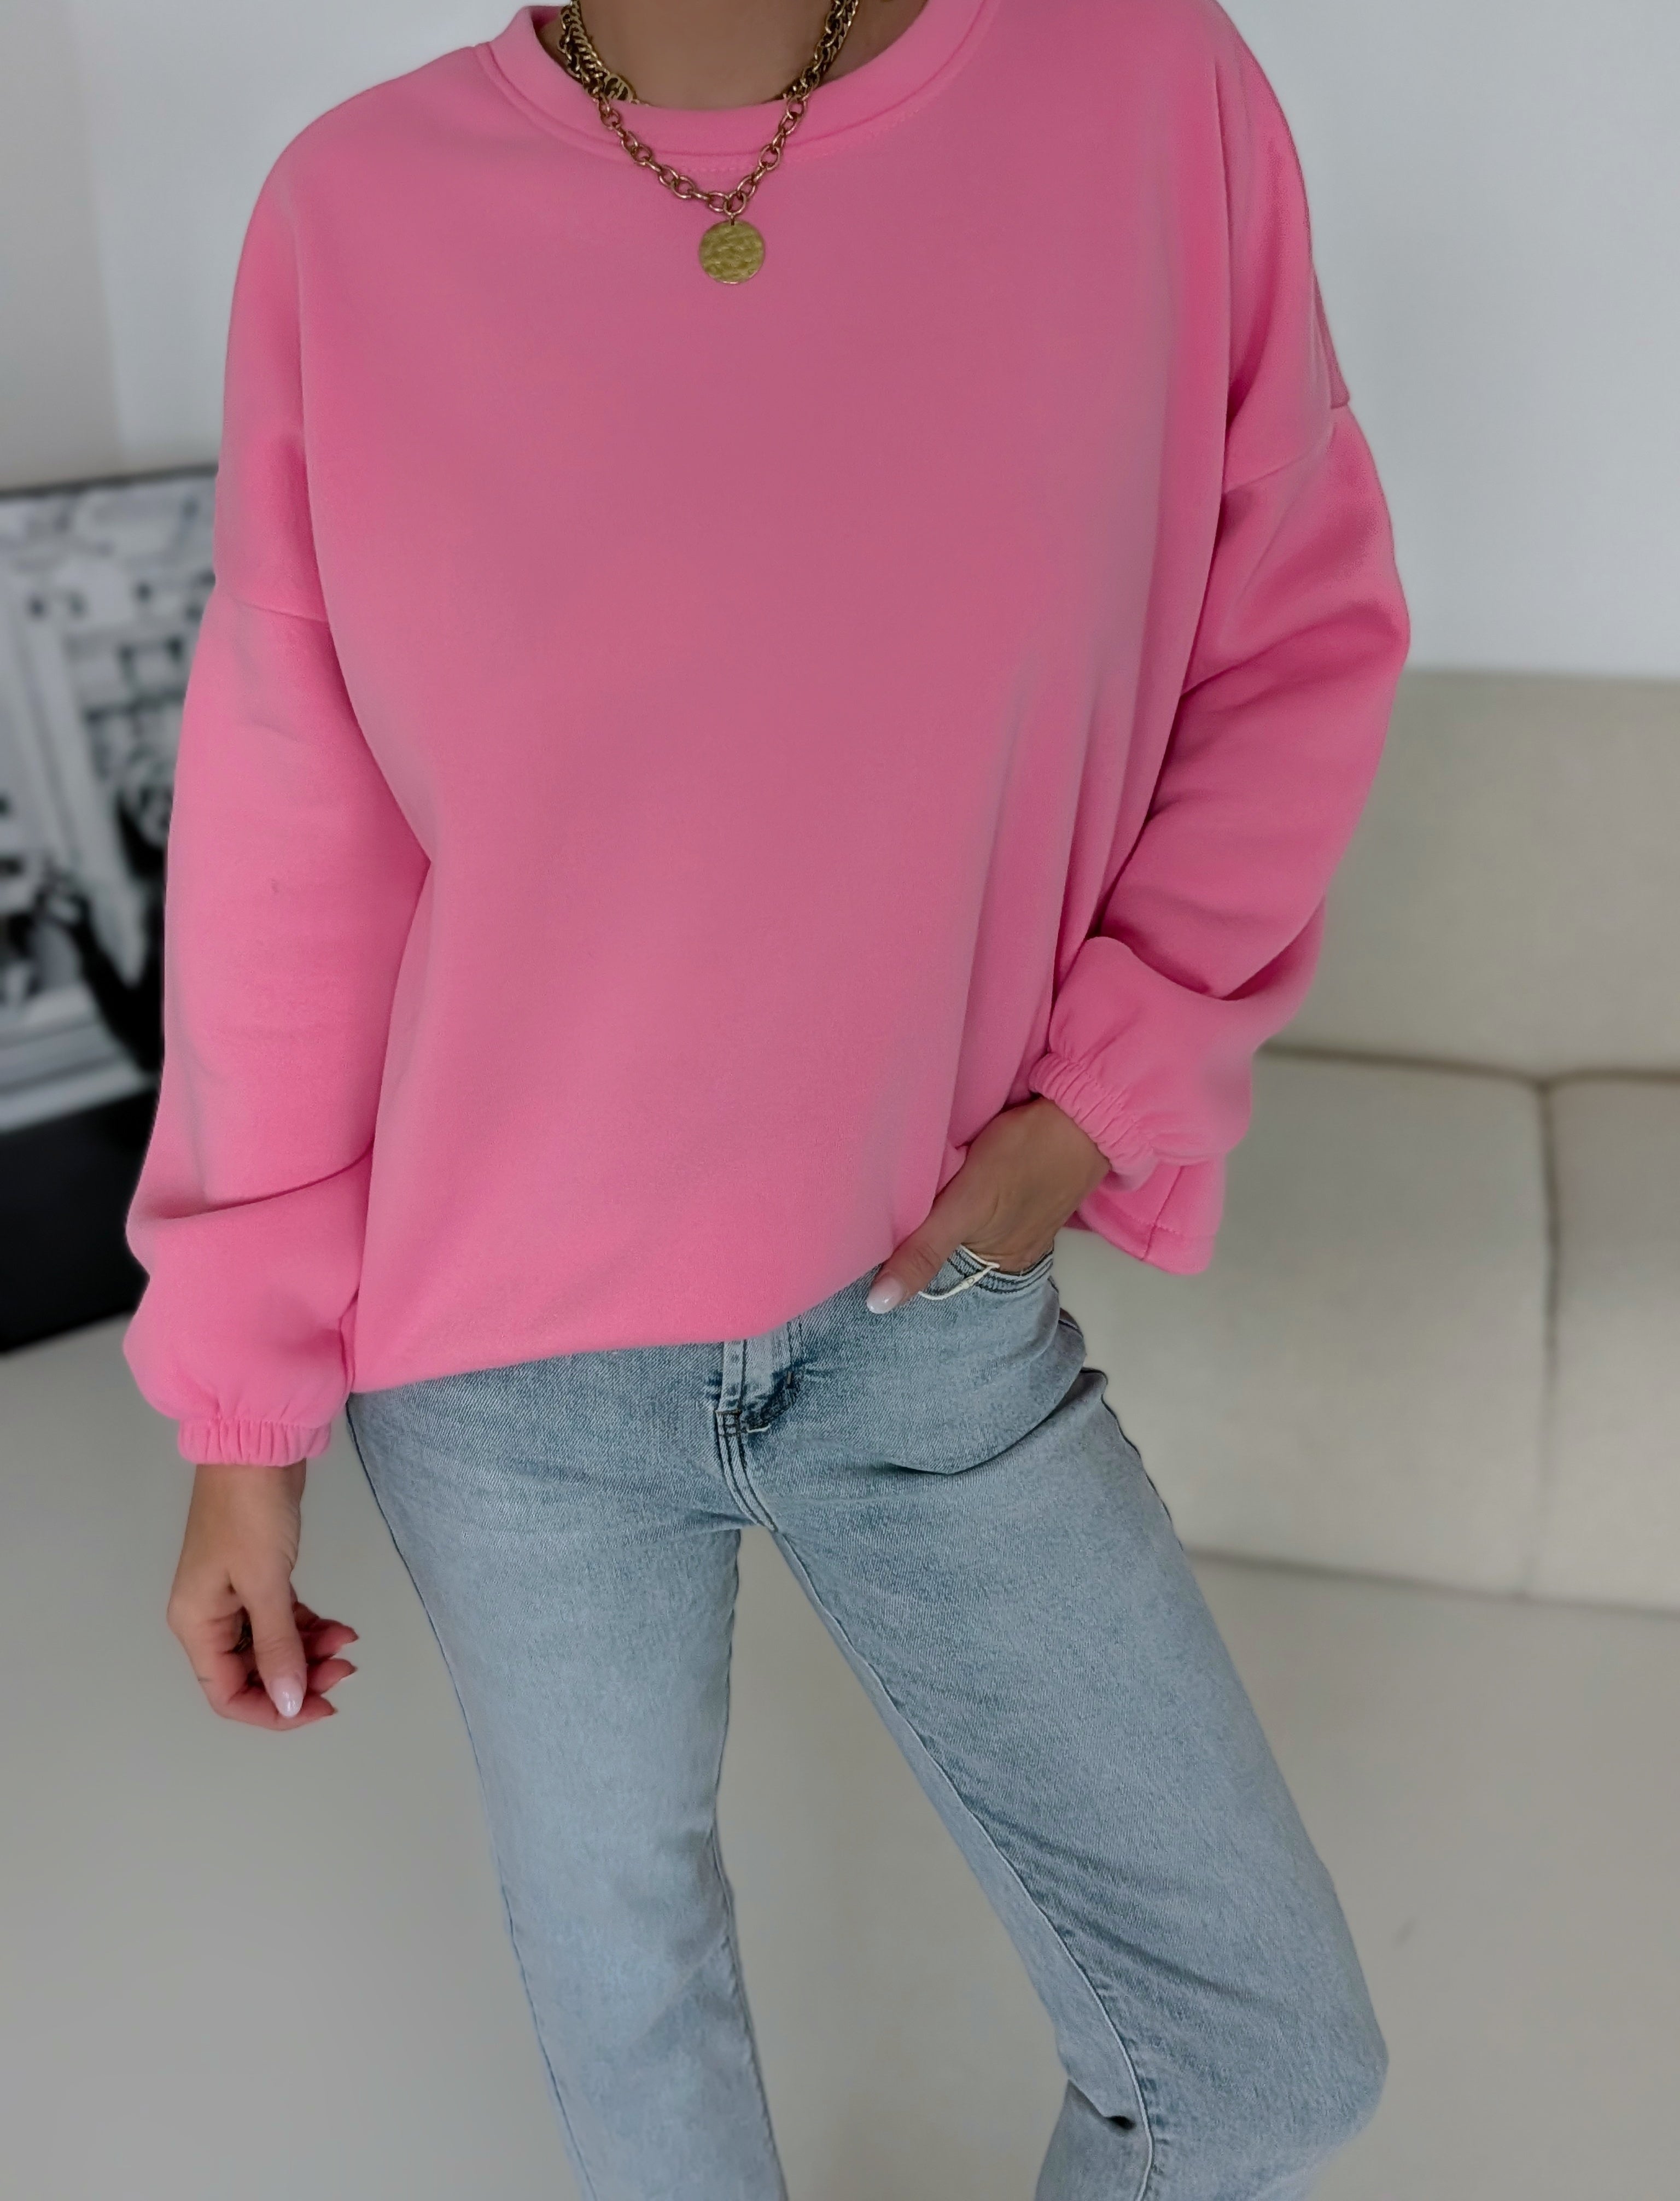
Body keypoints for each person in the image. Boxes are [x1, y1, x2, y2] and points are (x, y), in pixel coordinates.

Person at [128, 2, 1411, 2193]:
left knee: (1266, 2058)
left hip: (931, 1309)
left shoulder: (1141, 91)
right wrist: (241, 1419)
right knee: (638, 2032)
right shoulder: (355, 211)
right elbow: (292, 843)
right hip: (497, 1365)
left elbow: (1290, 637)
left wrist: (1102, 1090)